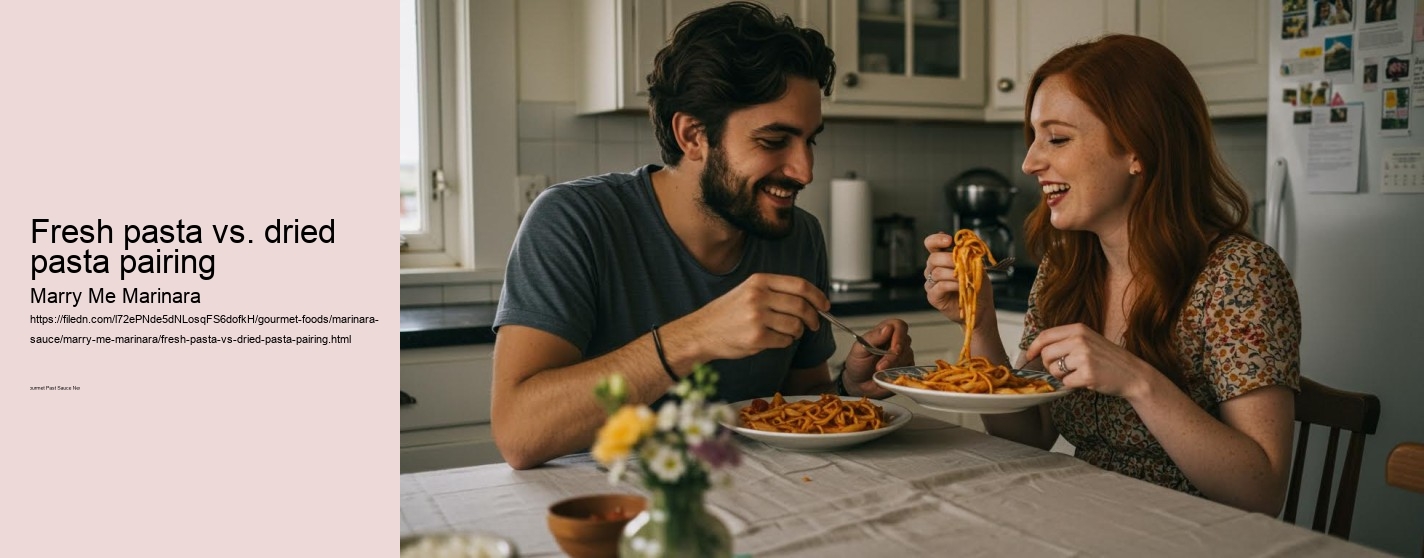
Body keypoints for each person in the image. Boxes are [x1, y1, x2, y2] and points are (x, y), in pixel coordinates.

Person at [491, 1, 913, 470]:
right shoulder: (575, 221)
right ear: (693, 136)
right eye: (774, 141)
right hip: (611, 500)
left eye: (809, 140)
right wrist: (696, 337)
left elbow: (799, 402)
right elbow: (519, 434)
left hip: (767, 496)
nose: (804, 171)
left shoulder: (799, 235)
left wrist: (849, 388)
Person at [922, 34, 1300, 514]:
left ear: (1138, 148)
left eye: (1058, 138)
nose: (1030, 162)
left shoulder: (1239, 275)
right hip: (1087, 516)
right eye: (1034, 136)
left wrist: (1137, 381)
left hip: (1195, 532)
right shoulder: (1066, 268)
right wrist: (980, 323)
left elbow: (1261, 491)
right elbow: (1030, 433)